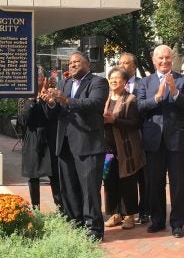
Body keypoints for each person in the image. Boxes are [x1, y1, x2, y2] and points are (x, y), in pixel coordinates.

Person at [41, 51, 109, 240]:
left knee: (89, 190)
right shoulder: (65, 83)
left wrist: (65, 100)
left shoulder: (98, 82)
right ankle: (76, 223)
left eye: (76, 62)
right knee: (69, 188)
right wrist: (52, 103)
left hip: (88, 145)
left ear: (87, 64)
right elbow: (55, 113)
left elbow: (94, 104)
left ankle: (94, 229)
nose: (72, 65)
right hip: (65, 144)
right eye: (70, 63)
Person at [137, 44, 184, 238]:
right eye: (160, 58)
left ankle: (178, 223)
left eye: (167, 58)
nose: (164, 61)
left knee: (178, 183)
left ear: (172, 59)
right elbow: (138, 106)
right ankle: (157, 220)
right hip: (153, 140)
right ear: (154, 60)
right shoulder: (145, 82)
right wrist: (156, 98)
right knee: (154, 182)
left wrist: (175, 91)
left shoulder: (181, 80)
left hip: (177, 139)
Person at [103, 67, 145, 230]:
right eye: (111, 78)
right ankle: (115, 214)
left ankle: (129, 215)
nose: (114, 81)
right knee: (109, 181)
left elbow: (135, 123)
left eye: (117, 78)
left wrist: (114, 120)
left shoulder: (130, 99)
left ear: (125, 82)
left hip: (126, 149)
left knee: (127, 181)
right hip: (107, 149)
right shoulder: (105, 99)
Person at [18, 67, 62, 211]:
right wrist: (32, 100)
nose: (34, 81)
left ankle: (61, 209)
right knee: (33, 176)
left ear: (44, 79)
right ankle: (35, 209)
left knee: (54, 176)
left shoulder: (51, 93)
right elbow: (23, 120)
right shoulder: (24, 96)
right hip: (32, 139)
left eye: (37, 77)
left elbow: (54, 116)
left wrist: (48, 101)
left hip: (49, 138)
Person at [118, 52, 150, 224]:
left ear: (134, 66)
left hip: (140, 135)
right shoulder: (114, 85)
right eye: (120, 63)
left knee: (143, 177)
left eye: (126, 63)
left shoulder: (142, 84)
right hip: (121, 138)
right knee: (124, 174)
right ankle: (125, 211)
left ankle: (144, 211)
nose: (122, 66)